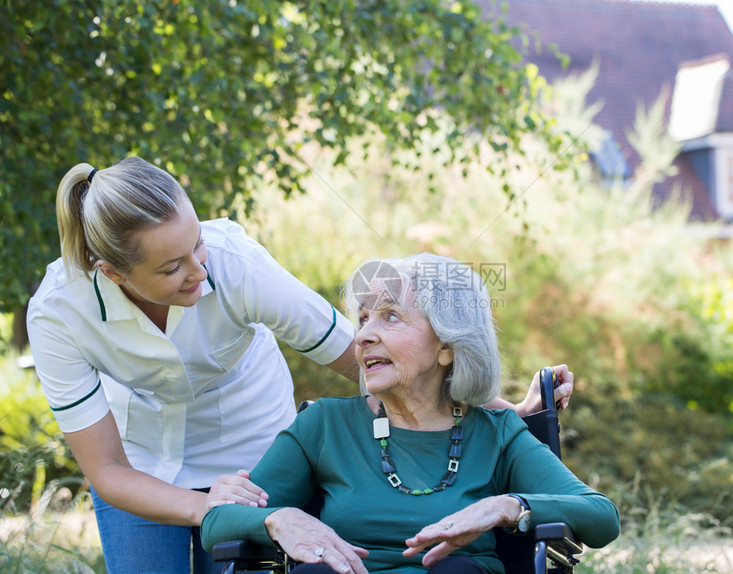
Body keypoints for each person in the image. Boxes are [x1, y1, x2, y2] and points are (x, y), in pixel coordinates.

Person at [27, 158, 573, 574]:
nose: (200, 269)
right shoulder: (58, 313)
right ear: (114, 274)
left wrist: (503, 408)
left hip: (253, 457)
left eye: (198, 245)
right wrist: (210, 509)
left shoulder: (236, 265)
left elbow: (369, 356)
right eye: (174, 267)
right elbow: (109, 472)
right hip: (141, 466)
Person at [201, 253, 620, 574]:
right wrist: (278, 518)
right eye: (363, 319)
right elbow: (217, 522)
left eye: (391, 316)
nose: (363, 335)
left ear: (447, 346)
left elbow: (601, 516)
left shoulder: (497, 434)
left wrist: (509, 506)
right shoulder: (325, 425)